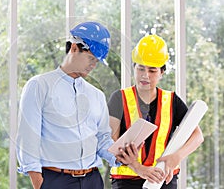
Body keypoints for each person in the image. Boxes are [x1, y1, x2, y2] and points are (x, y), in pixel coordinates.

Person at [16, 21, 128, 189]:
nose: (93, 65)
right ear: (74, 48)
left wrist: (119, 155)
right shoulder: (39, 85)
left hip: (93, 180)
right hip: (56, 180)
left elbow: (103, 138)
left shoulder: (96, 95)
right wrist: (39, 183)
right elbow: (28, 138)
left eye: (96, 61)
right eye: (91, 58)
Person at [107, 34, 204, 189]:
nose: (145, 75)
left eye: (152, 70)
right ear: (134, 68)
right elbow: (111, 141)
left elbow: (197, 136)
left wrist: (177, 156)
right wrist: (137, 167)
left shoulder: (172, 101)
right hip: (126, 181)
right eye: (140, 68)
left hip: (162, 181)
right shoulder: (119, 98)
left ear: (162, 72)